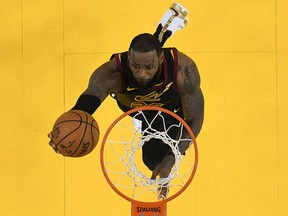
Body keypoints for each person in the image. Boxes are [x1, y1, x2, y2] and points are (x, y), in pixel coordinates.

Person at [49, 4, 204, 199]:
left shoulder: (184, 72)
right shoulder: (111, 74)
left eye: (149, 67)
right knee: (152, 159)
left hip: (173, 110)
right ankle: (158, 37)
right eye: (135, 65)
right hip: (138, 109)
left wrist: (172, 158)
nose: (142, 74)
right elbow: (85, 106)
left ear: (162, 60)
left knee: (160, 157)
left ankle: (161, 32)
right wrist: (65, 130)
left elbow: (194, 121)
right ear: (128, 57)